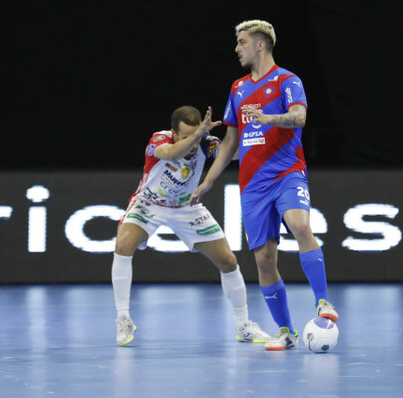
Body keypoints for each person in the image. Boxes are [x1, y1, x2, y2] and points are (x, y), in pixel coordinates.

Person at [191, 20, 338, 351]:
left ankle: (324, 303)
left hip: (287, 172)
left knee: (300, 225)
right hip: (252, 184)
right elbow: (230, 141)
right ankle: (285, 331)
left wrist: (268, 118)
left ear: (260, 45)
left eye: (242, 42)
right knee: (263, 261)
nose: (237, 48)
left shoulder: (288, 81)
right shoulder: (238, 88)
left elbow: (299, 117)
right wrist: (208, 180)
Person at [112, 105, 272, 346]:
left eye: (196, 134)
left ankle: (244, 325)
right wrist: (197, 136)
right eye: (186, 136)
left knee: (228, 261)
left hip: (187, 208)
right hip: (149, 203)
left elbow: (232, 153)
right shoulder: (160, 139)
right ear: (174, 133)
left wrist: (254, 132)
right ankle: (123, 319)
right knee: (123, 245)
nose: (194, 142)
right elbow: (171, 154)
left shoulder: (205, 142)